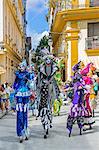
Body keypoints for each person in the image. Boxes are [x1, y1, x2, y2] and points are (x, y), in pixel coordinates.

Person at [13, 60, 31, 143]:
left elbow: (31, 83)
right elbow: (15, 84)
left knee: (25, 114)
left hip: (26, 94)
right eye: (20, 66)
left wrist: (30, 85)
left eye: (22, 66)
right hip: (19, 94)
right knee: (19, 114)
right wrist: (15, 91)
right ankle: (20, 132)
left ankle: (25, 131)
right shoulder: (17, 74)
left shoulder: (27, 74)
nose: (21, 68)